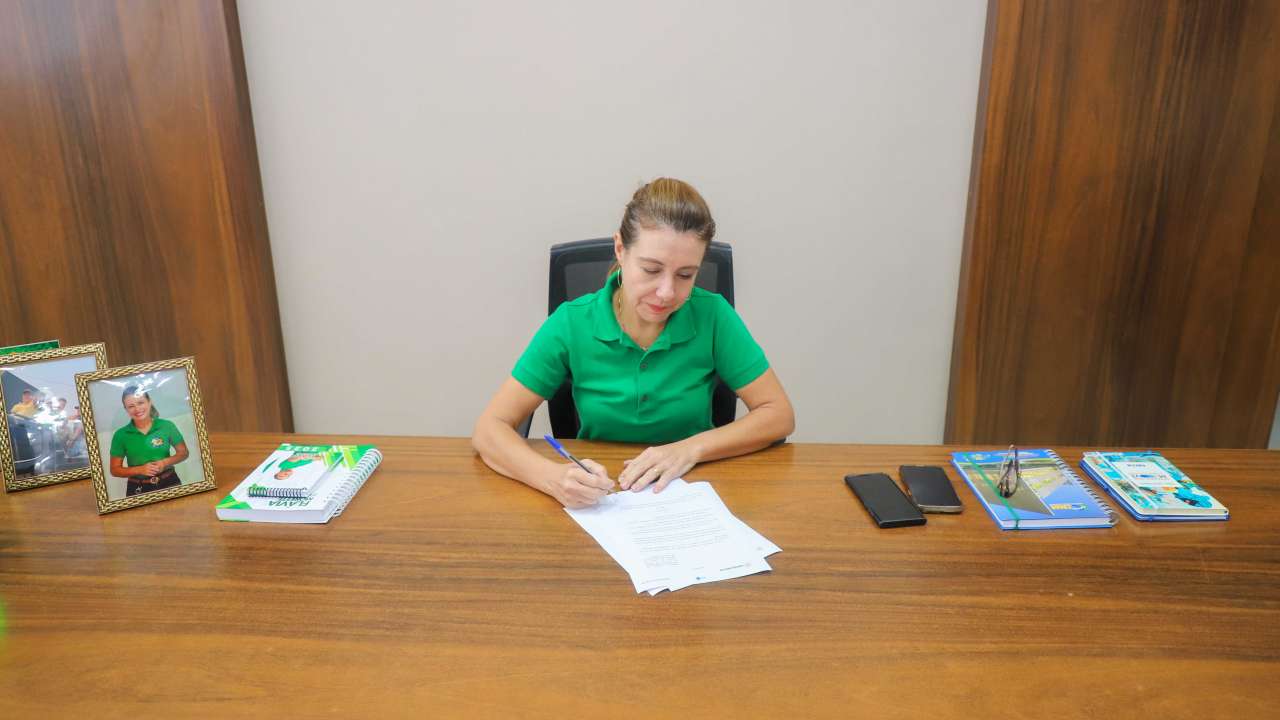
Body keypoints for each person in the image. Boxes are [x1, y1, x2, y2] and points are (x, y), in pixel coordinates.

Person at [473, 178, 794, 508]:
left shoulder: (712, 315)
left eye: (685, 275)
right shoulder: (571, 322)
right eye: (651, 270)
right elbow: (489, 429)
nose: (667, 292)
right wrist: (553, 478)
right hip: (601, 495)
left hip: (690, 490)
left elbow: (778, 415)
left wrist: (690, 448)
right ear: (620, 249)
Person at [108, 386, 189, 496]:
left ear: (149, 402)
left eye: (140, 403)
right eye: (131, 406)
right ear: (126, 409)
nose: (137, 409)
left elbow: (183, 453)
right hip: (137, 488)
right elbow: (115, 470)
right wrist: (140, 469)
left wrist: (164, 462)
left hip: (170, 483)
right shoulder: (120, 435)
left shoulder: (167, 426)